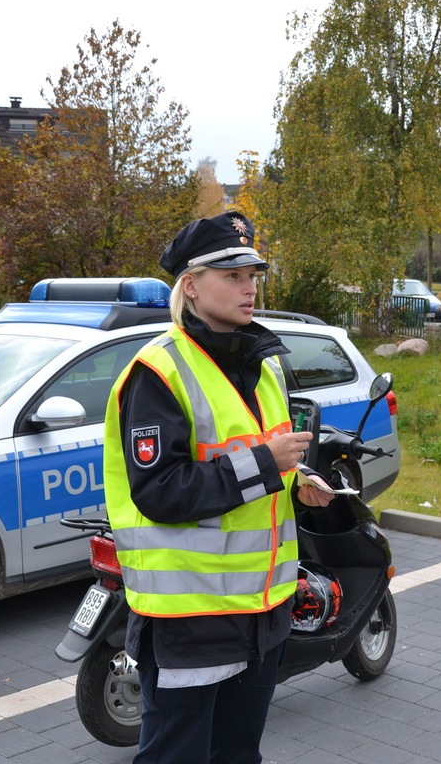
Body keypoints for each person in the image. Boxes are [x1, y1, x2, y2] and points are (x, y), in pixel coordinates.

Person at [103, 210, 330, 763]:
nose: (249, 287)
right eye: (232, 275)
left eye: (252, 274)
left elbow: (250, 460)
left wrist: (297, 481)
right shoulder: (158, 372)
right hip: (192, 620)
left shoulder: (261, 366)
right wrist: (265, 465)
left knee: (238, 756)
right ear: (191, 286)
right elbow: (160, 491)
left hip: (262, 614)